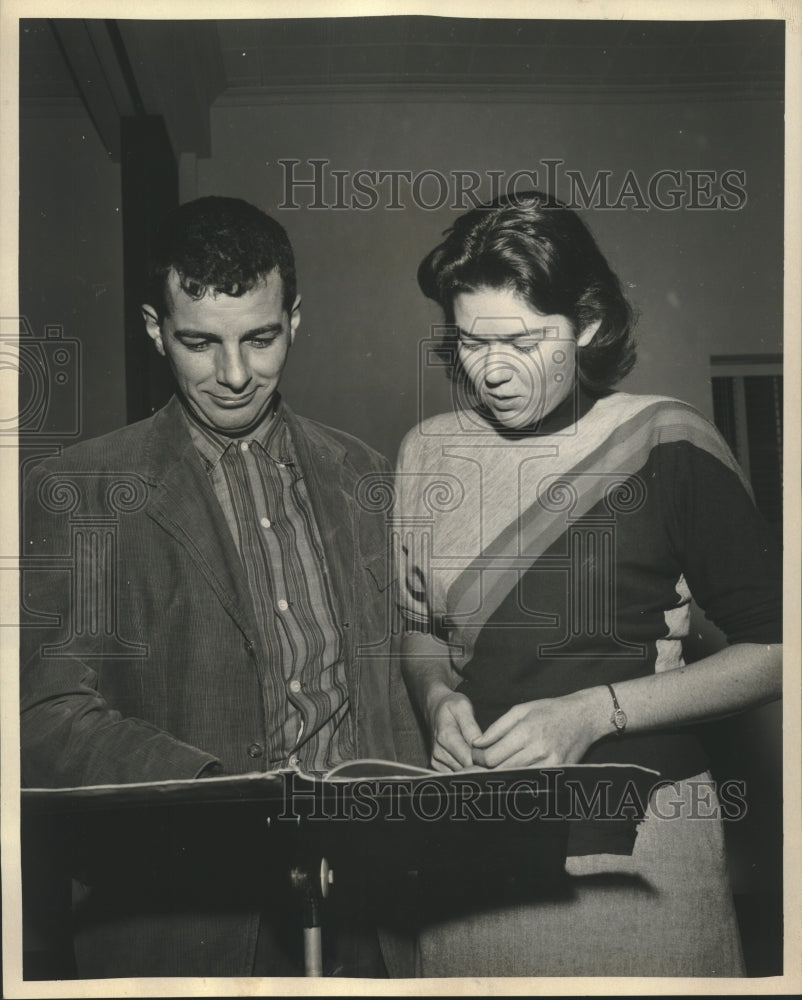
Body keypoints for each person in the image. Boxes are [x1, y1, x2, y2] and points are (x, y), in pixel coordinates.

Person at [394, 190, 782, 977]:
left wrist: (591, 714)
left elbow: (779, 650)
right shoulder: (427, 451)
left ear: (591, 326)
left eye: (525, 342)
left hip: (639, 852)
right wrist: (437, 699)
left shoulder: (668, 442)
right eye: (469, 343)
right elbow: (422, 631)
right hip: (472, 838)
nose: (491, 372)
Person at [20, 196, 401, 978]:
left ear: (295, 319)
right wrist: (224, 799)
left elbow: (397, 676)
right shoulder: (82, 487)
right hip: (182, 922)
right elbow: (47, 715)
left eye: (260, 338)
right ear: (156, 329)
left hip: (368, 920)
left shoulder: (363, 473)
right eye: (200, 342)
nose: (234, 375)